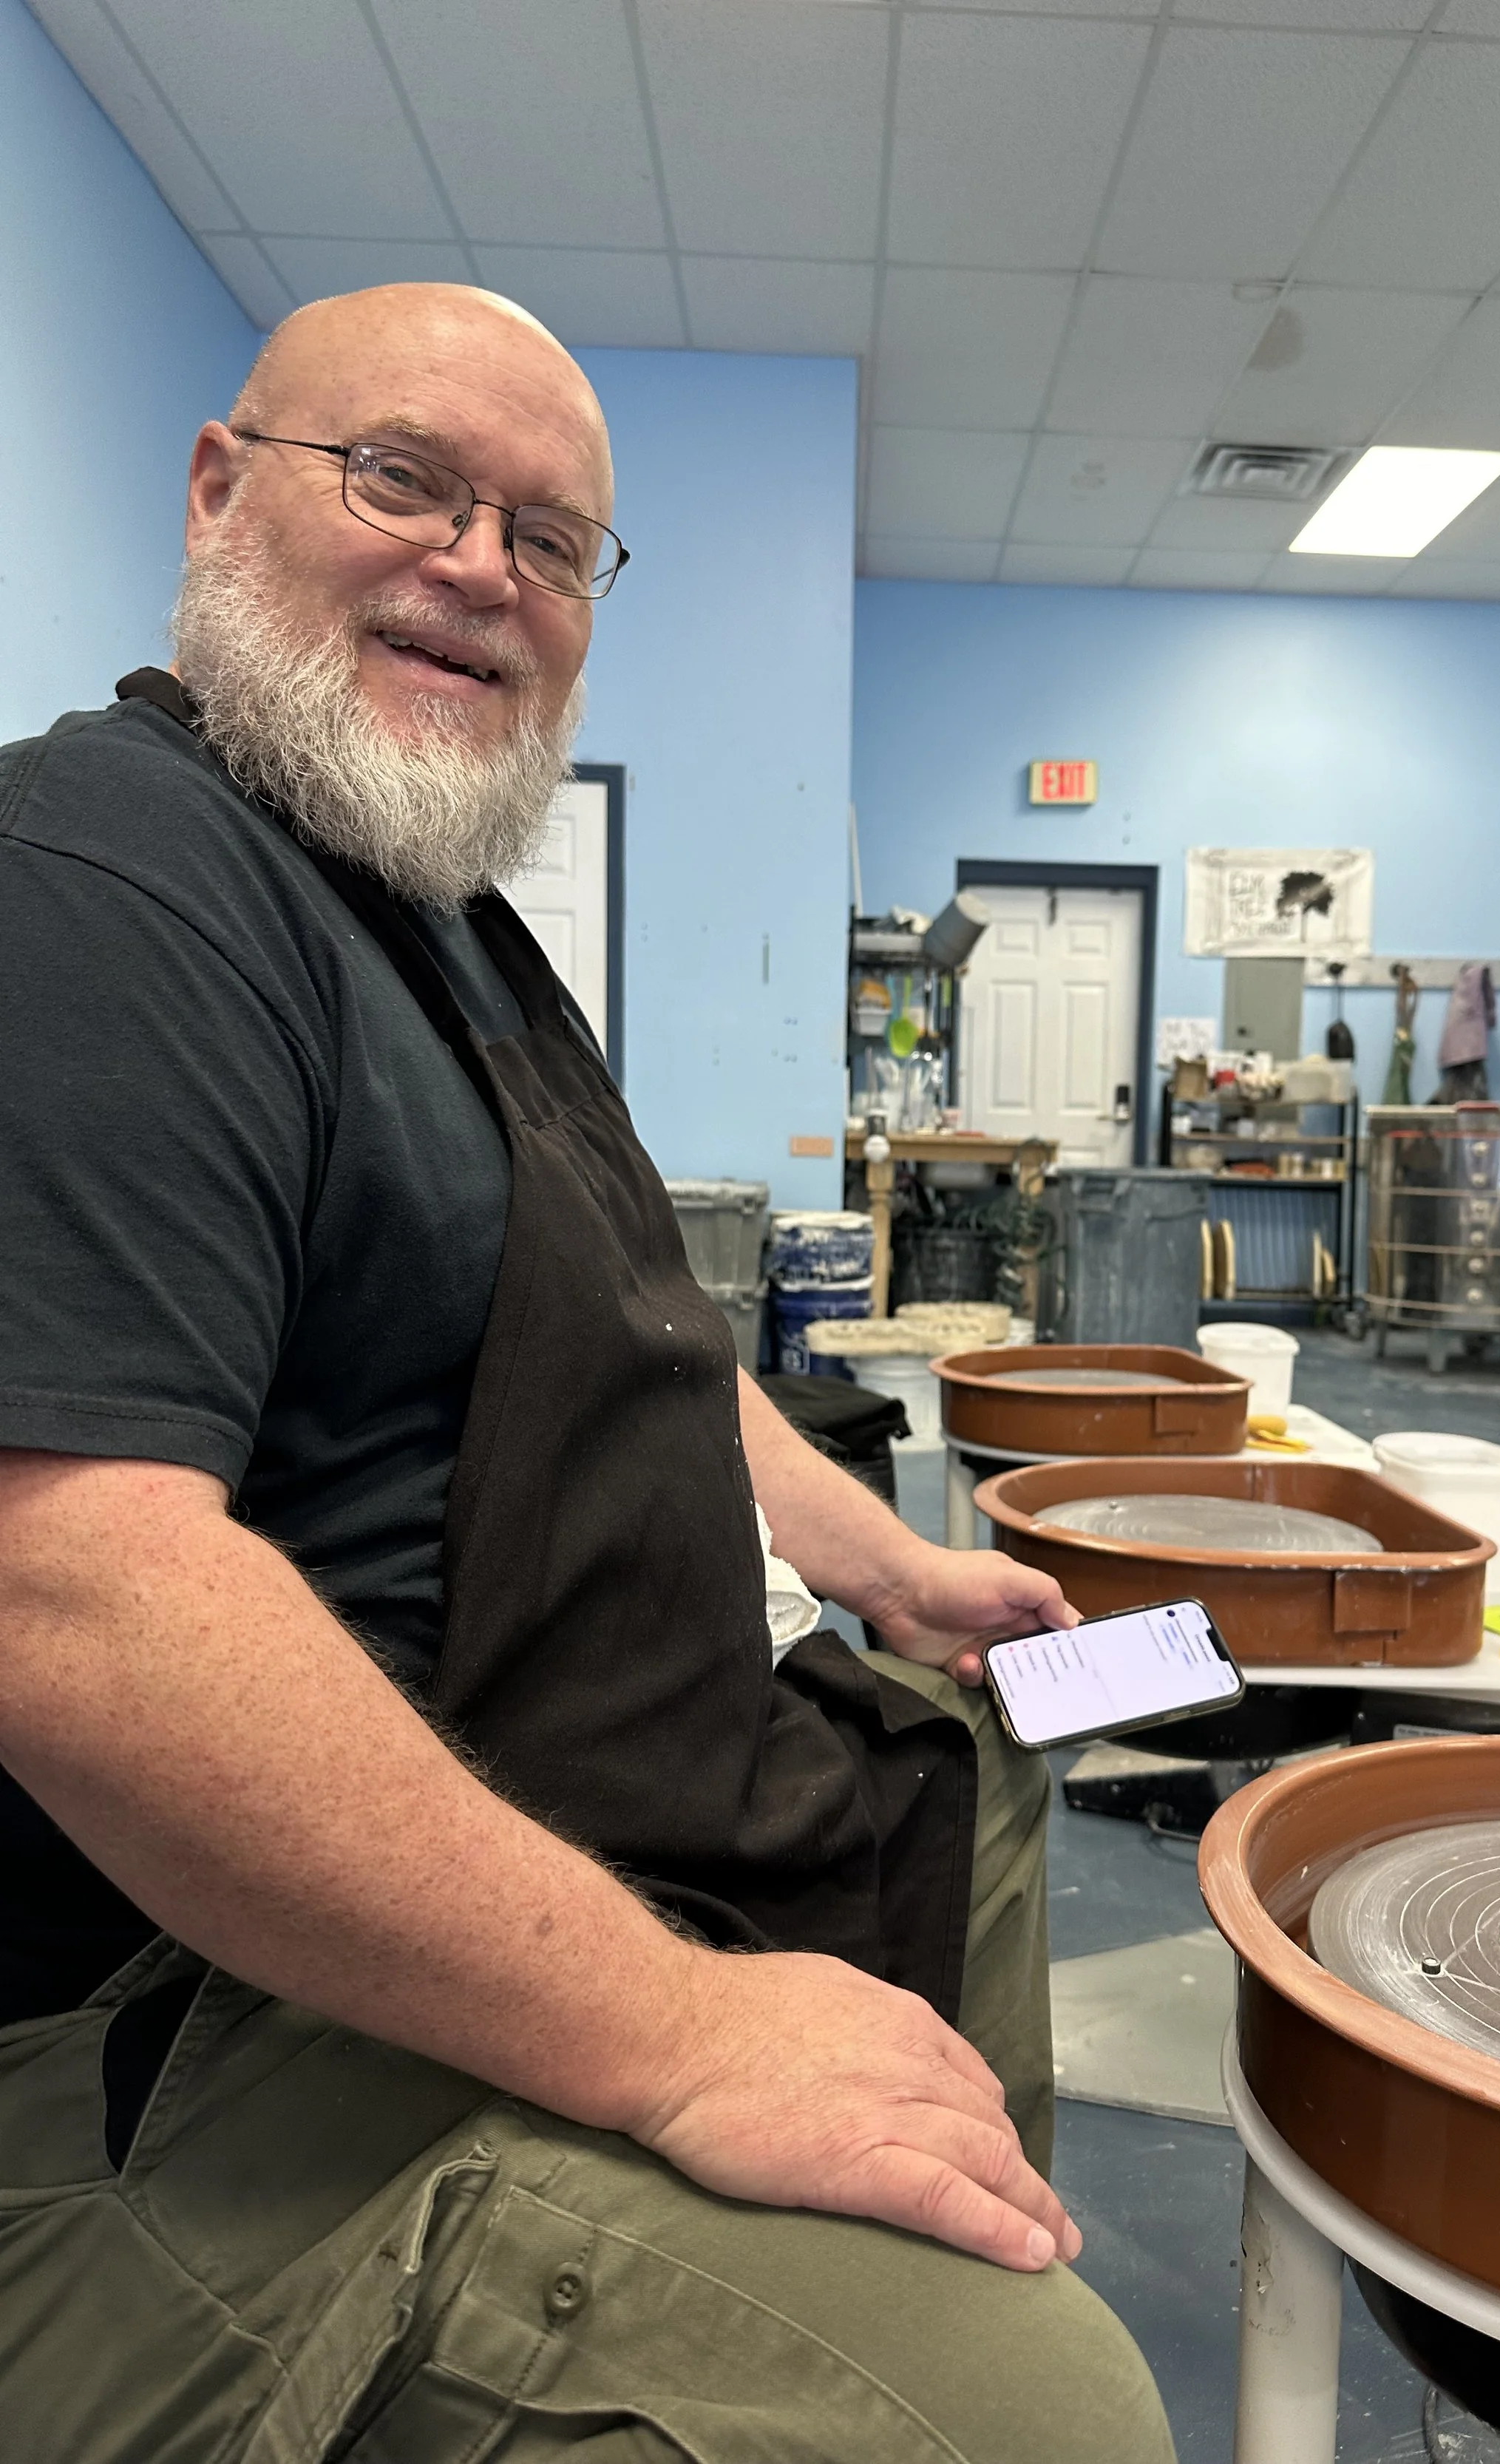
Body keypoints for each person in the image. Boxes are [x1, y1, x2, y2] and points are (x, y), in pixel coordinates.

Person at [0, 284, 1173, 2463]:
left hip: (550, 1741)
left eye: (550, 540)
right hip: (171, 2022)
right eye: (404, 479)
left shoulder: (447, 937)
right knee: (1030, 2413)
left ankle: (929, 2184)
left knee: (967, 1754)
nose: (479, 568)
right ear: (215, 485)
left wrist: (883, 1566)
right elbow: (68, 1594)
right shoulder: (98, 879)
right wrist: (675, 2031)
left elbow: (629, 1314)